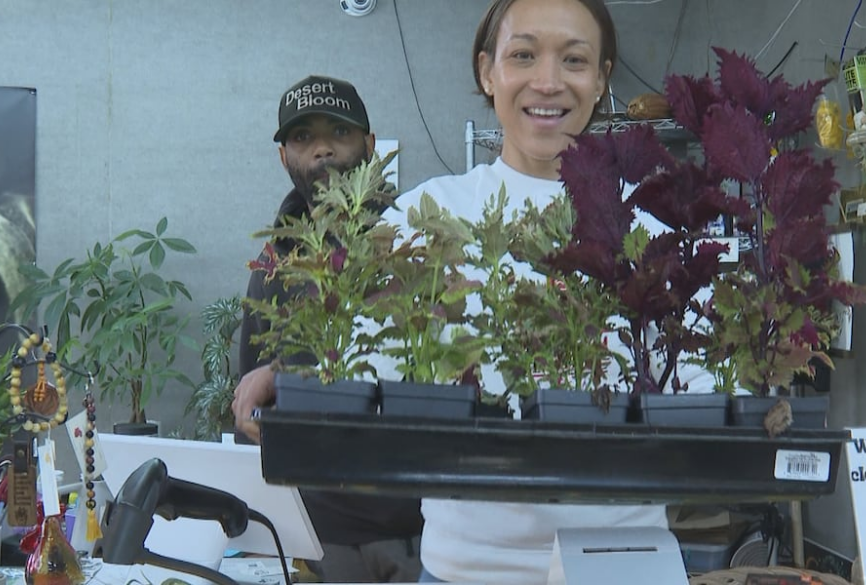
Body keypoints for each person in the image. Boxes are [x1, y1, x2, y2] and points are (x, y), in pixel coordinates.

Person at [234, 2, 669, 583]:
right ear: (487, 71)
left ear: (601, 78)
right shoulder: (425, 215)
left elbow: (698, 393)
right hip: (468, 565)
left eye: (574, 59)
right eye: (523, 55)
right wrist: (292, 373)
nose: (547, 81)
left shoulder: (655, 229)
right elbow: (373, 358)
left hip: (624, 561)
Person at [237, 75, 424, 583]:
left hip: (412, 527)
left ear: (368, 144)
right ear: (284, 158)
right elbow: (251, 385)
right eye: (302, 138)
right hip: (316, 533)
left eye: (339, 132)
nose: (321, 148)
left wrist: (282, 372)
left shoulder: (411, 235)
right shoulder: (274, 257)